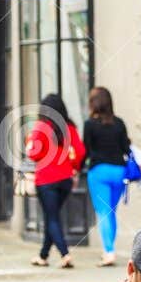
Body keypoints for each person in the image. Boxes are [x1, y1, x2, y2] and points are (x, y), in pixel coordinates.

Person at [26, 93, 85, 269]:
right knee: (52, 217)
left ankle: (65, 254)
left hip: (46, 180)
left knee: (51, 218)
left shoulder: (41, 127)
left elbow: (33, 153)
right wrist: (73, 167)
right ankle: (43, 255)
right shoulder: (70, 127)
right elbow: (80, 152)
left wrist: (30, 142)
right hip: (65, 179)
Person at [82, 86, 133, 267]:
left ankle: (109, 252)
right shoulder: (119, 123)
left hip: (99, 172)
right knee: (111, 212)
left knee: (103, 212)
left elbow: (85, 150)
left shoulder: (89, 125)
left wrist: (79, 169)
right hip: (119, 172)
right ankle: (109, 249)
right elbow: (126, 149)